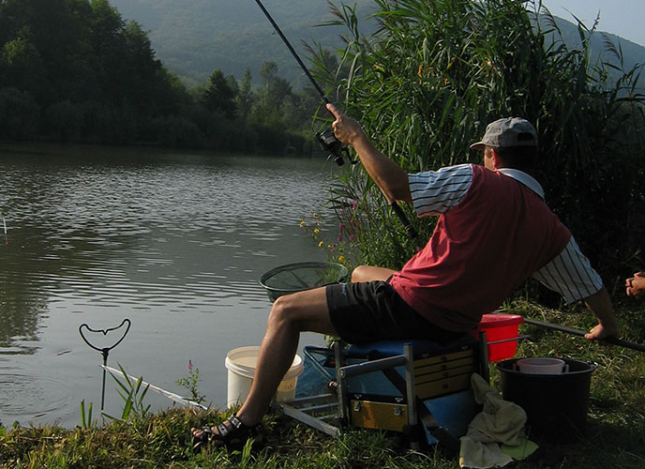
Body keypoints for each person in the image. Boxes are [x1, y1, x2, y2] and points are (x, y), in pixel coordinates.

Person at [191, 104, 619, 450]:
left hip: (413, 308)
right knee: (361, 272)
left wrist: (355, 136)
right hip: (454, 319)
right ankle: (355, 349)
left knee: (285, 311)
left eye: (484, 154)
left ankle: (246, 423)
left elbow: (396, 187)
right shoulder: (551, 227)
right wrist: (607, 326)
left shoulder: (475, 181)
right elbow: (590, 285)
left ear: (492, 155)